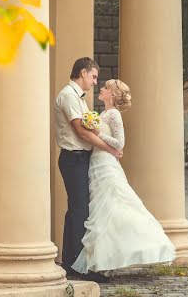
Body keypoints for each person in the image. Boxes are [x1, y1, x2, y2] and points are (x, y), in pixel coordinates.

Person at [72, 79, 176, 275]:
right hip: (96, 164)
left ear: (111, 94)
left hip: (107, 166)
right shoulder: (103, 113)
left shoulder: (114, 114)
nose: (100, 89)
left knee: (112, 206)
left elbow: (120, 144)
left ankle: (126, 253)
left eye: (104, 88)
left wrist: (97, 133)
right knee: (102, 210)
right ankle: (108, 259)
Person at [55, 58, 123, 283]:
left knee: (77, 210)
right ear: (82, 72)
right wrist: (111, 149)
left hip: (82, 158)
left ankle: (72, 262)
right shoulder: (68, 95)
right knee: (79, 211)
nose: (95, 81)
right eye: (93, 76)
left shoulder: (79, 99)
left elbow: (88, 129)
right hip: (73, 159)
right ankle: (78, 267)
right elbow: (81, 132)